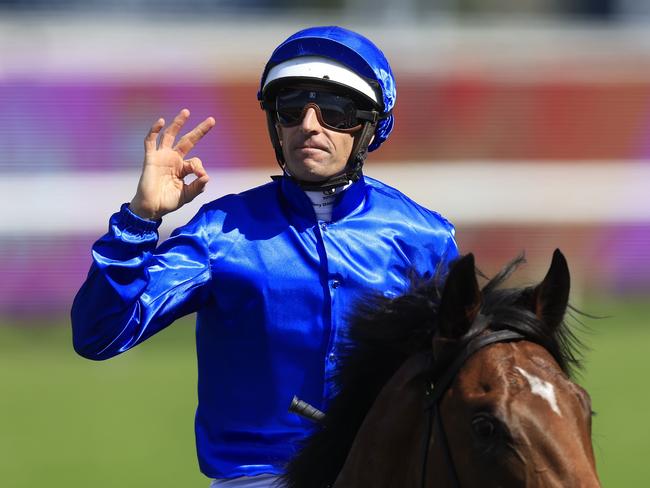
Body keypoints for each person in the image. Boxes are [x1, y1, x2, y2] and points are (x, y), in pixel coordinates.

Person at [71, 26, 459, 487]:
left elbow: (461, 383)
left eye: (334, 111)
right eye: (292, 109)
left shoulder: (426, 238)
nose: (310, 125)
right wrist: (139, 220)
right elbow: (98, 335)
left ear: (371, 127)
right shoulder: (221, 233)